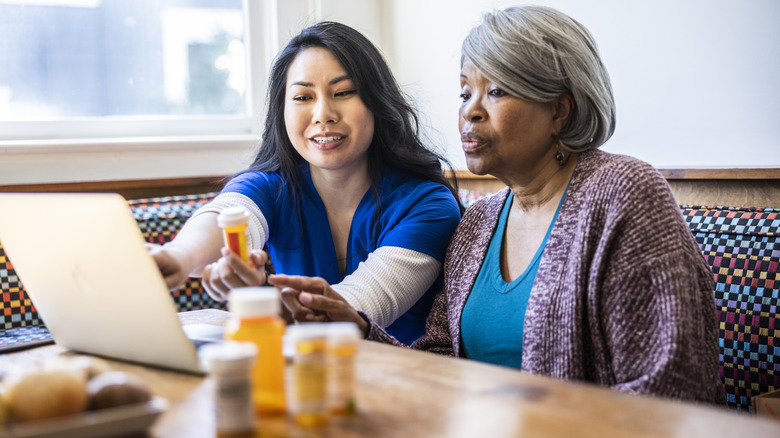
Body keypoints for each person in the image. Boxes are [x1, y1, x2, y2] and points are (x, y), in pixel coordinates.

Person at [270, 6, 724, 404]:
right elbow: (440, 366)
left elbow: (674, 387)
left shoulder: (624, 193)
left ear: (559, 110)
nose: (471, 111)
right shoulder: (479, 222)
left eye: (498, 91)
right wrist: (355, 326)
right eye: (465, 92)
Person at [151, 21, 462, 345]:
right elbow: (228, 216)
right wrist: (176, 258)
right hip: (303, 373)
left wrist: (257, 297)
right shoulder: (270, 187)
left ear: (377, 103)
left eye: (343, 93)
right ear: (282, 112)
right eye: (302, 97)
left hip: (404, 378)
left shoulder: (429, 205)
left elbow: (352, 312)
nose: (323, 114)